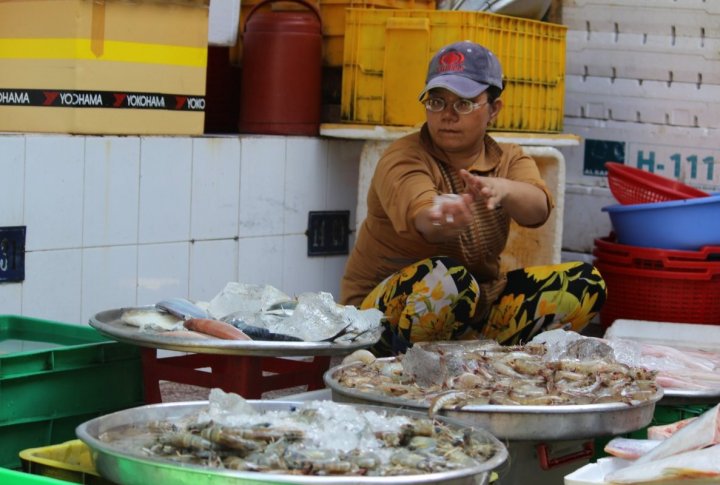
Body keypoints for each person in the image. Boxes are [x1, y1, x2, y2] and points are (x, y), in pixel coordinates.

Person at [340, 40, 607, 356]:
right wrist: (441, 220)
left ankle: (486, 366)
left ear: (494, 109)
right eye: (436, 102)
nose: (447, 115)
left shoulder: (509, 158)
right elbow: (422, 212)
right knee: (449, 279)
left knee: (583, 283)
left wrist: (503, 189)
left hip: (472, 310)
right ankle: (409, 372)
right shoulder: (403, 155)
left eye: (464, 104)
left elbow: (537, 208)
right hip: (378, 321)